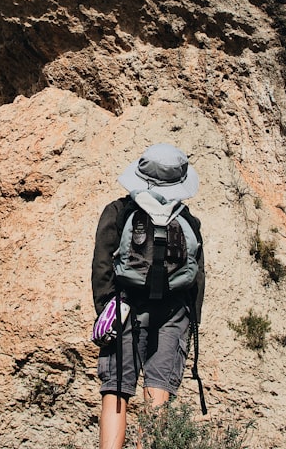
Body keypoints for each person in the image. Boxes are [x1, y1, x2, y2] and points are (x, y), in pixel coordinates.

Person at [91, 143, 205, 449]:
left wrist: (107, 310)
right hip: (172, 313)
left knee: (116, 391)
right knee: (158, 393)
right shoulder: (187, 220)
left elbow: (102, 266)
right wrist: (192, 324)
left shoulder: (118, 211)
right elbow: (197, 277)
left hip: (124, 307)